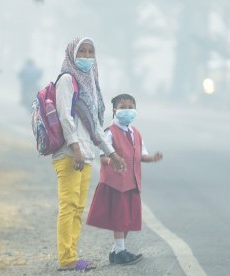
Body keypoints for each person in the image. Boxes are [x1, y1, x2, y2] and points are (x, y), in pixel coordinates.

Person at [52, 37, 126, 272]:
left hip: (84, 154)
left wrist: (112, 154)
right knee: (69, 205)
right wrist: (74, 148)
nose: (86, 55)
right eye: (81, 51)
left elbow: (94, 124)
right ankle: (67, 259)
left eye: (90, 51)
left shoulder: (90, 82)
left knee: (77, 208)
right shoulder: (67, 79)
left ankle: (71, 256)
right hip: (70, 153)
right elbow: (64, 116)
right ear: (72, 55)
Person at [86, 93, 163, 265]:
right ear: (114, 110)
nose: (127, 110)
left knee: (128, 219)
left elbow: (141, 155)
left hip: (132, 183)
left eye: (130, 107)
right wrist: (112, 161)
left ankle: (115, 251)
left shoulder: (135, 133)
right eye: (123, 107)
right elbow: (103, 155)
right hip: (116, 183)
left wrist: (153, 158)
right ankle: (120, 252)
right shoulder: (110, 132)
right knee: (120, 218)